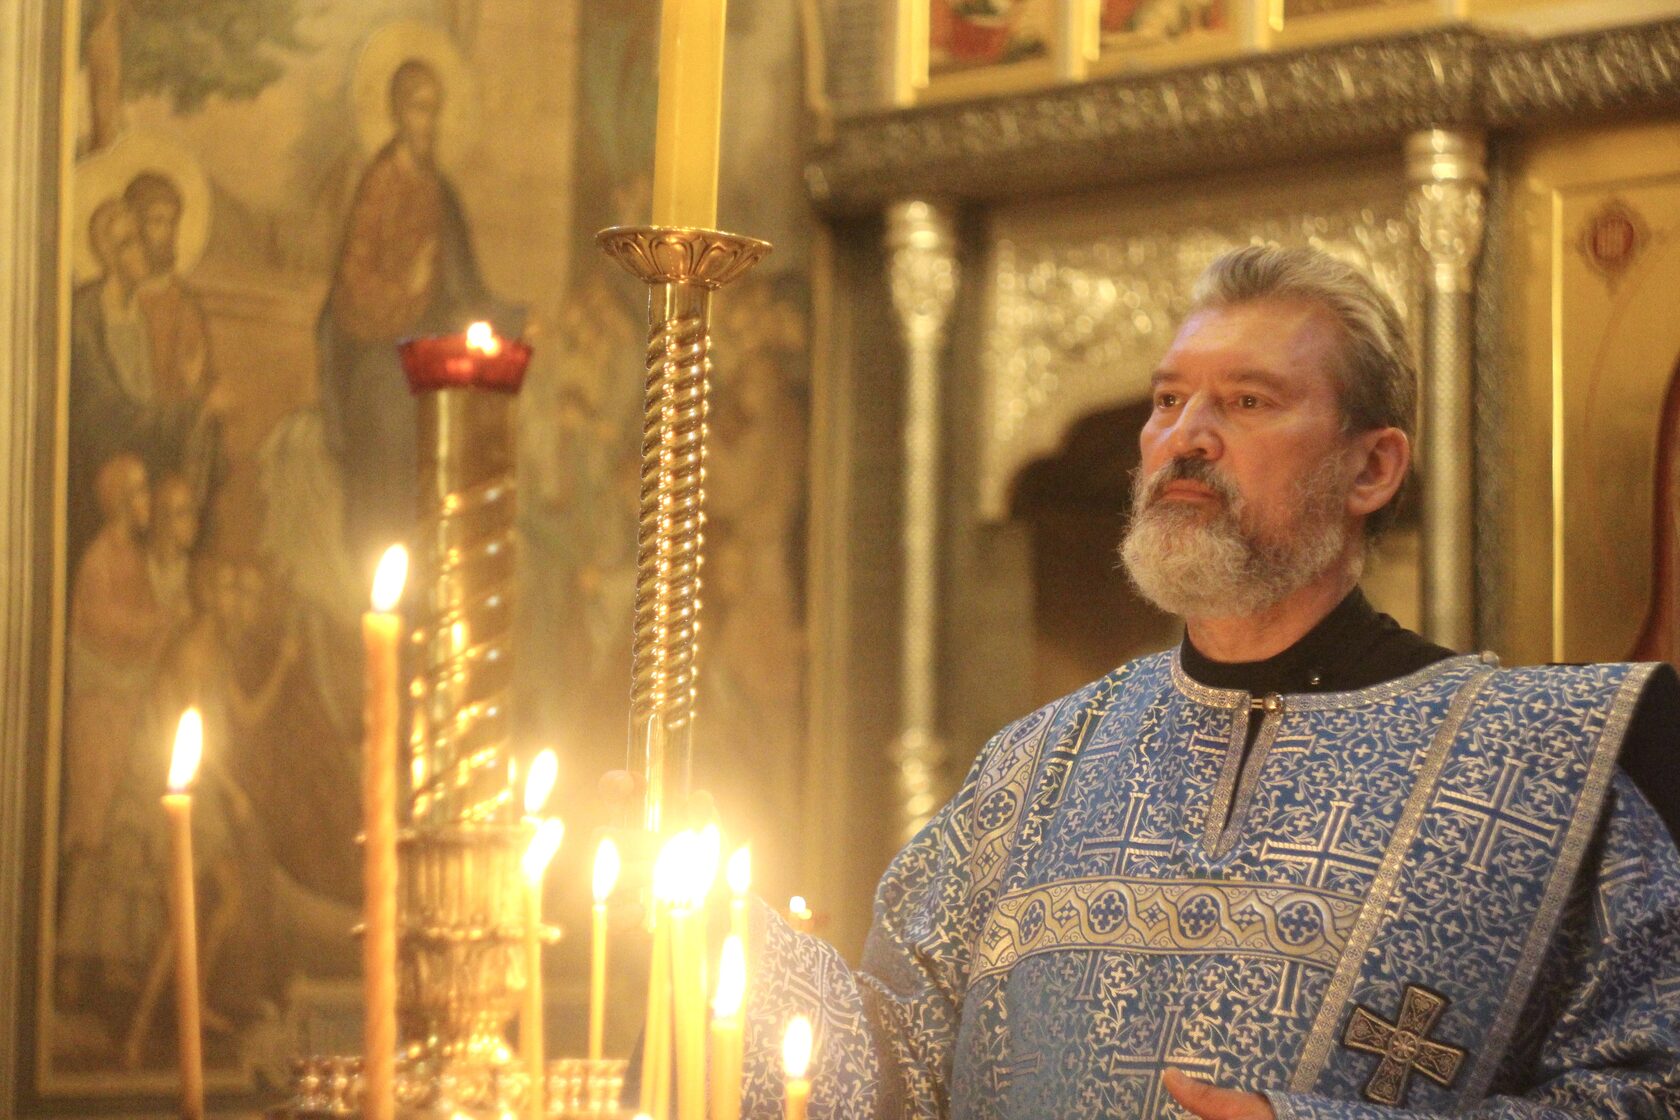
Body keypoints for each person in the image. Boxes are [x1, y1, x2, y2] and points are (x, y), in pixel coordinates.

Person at [739, 247, 1680, 1118]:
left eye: (1247, 401)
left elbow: (1652, 1087)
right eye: (1167, 400)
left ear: (1372, 467)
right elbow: (894, 1064)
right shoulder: (1034, 769)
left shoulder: (1546, 763)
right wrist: (712, 939)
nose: (1186, 436)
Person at [317, 56, 518, 567]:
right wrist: (405, 288)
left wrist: (508, 317)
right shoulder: (380, 184)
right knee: (392, 406)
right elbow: (351, 289)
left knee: (477, 408)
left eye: (435, 109)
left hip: (431, 342)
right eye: (419, 108)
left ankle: (446, 556)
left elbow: (465, 286)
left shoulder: (440, 190)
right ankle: (385, 551)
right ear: (397, 112)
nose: (428, 121)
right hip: (378, 346)